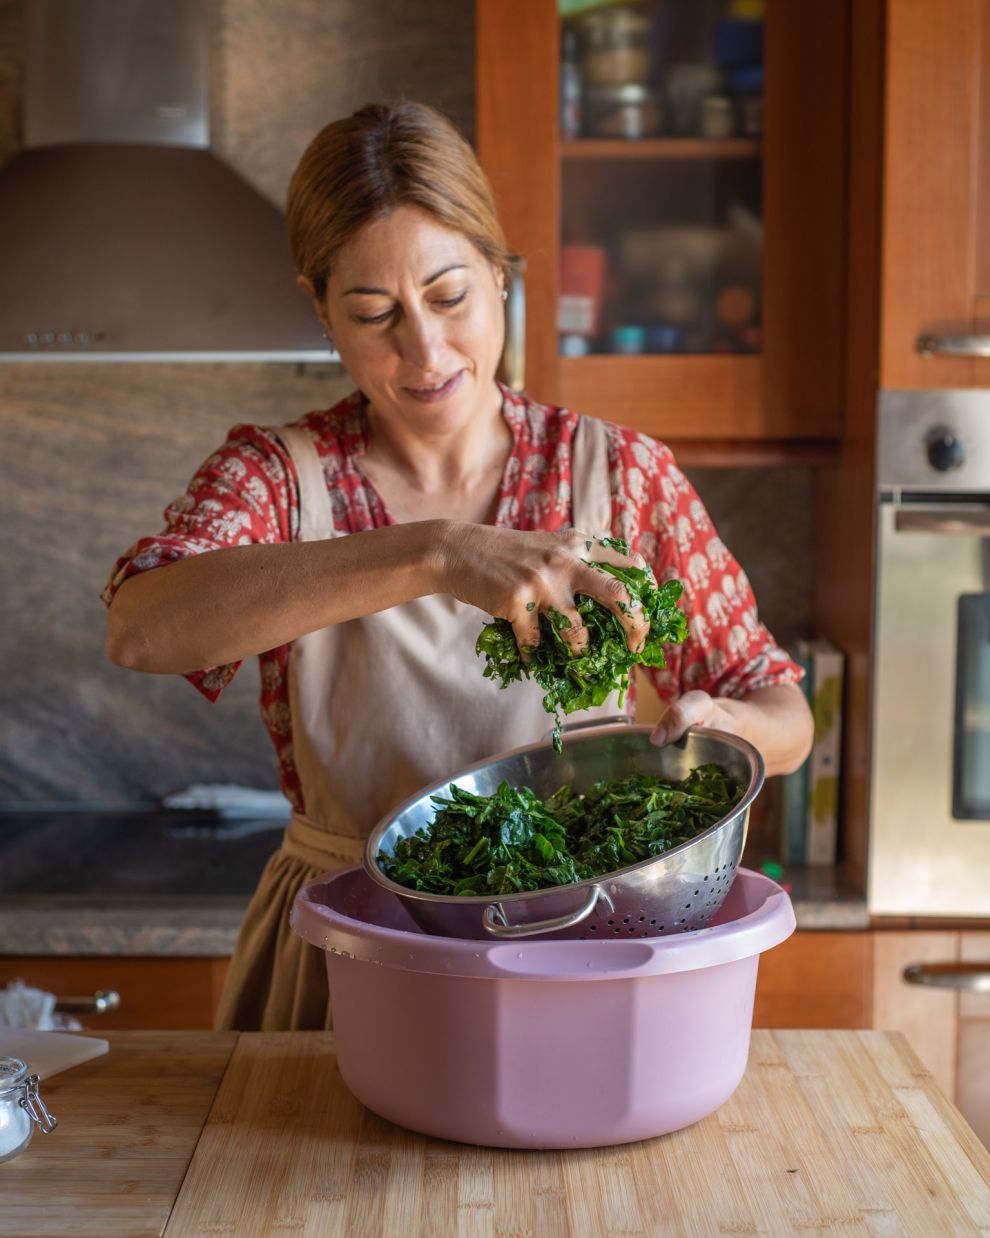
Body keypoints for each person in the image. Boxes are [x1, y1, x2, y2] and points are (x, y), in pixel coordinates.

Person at [103, 100, 813, 1031]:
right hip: (347, 948)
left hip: (570, 942)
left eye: (449, 297)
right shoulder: (277, 482)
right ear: (321, 310)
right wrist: (435, 551)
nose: (424, 352)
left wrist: (724, 725)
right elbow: (142, 625)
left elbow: (783, 710)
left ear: (501, 277)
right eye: (373, 313)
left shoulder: (618, 476)